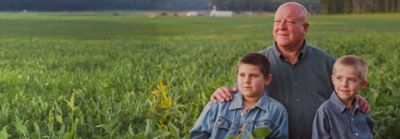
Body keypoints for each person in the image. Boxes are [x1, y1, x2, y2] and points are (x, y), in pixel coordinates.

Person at [210, 2, 370, 139]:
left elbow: (343, 97)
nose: (281, 27)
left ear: (305, 27)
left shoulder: (327, 62)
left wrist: (357, 100)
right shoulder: (258, 63)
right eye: (277, 21)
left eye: (289, 22)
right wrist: (224, 94)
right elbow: (239, 99)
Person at [191, 53, 288, 139]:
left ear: (267, 79)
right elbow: (197, 136)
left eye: (253, 76)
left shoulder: (277, 111)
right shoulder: (218, 104)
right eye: (242, 75)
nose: (246, 81)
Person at [312, 55, 374, 139]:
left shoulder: (362, 108)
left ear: (362, 84)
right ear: (333, 80)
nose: (344, 84)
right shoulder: (325, 112)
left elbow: (369, 132)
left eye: (351, 79)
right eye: (339, 78)